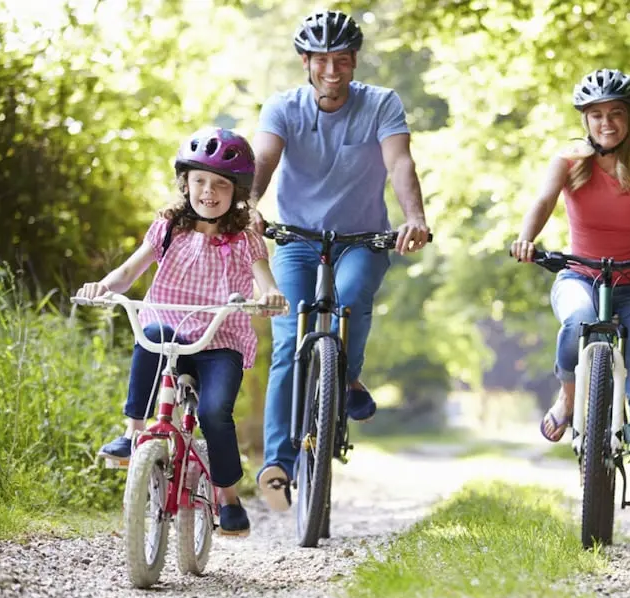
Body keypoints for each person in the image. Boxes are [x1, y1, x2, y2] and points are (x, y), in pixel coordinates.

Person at [250, 9, 431, 512]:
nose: (333, 71)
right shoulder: (282, 107)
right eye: (323, 61)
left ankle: (345, 374)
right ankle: (278, 465)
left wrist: (413, 216)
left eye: (343, 61)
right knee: (289, 337)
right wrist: (249, 206)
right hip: (297, 238)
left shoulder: (381, 104)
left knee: (350, 300)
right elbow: (264, 159)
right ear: (306, 62)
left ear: (354, 63)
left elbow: (399, 161)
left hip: (363, 237)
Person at [510, 68, 630, 519]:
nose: (606, 123)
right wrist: (526, 237)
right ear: (585, 121)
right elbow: (541, 202)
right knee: (576, 320)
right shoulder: (570, 162)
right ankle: (568, 395)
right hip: (580, 275)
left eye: (615, 114)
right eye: (596, 115)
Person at [78, 127, 287, 537]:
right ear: (185, 183)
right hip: (170, 334)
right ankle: (133, 432)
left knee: (213, 413)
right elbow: (128, 272)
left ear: (237, 191)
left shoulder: (245, 238)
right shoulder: (169, 227)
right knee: (149, 332)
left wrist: (272, 296)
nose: (208, 191)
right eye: (200, 181)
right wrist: (102, 287)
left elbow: (266, 281)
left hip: (218, 341)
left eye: (220, 184)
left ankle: (227, 497)